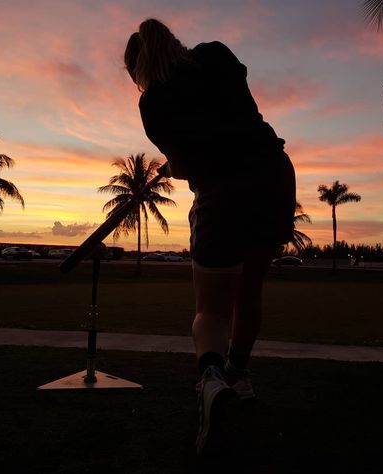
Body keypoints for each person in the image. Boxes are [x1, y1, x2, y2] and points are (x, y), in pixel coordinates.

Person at [124, 18, 296, 457]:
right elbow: (239, 114)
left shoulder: (153, 103)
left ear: (138, 71)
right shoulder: (216, 54)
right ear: (174, 41)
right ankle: (239, 373)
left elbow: (182, 165)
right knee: (250, 289)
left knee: (211, 308)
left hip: (222, 190)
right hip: (274, 176)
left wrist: (179, 162)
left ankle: (212, 375)